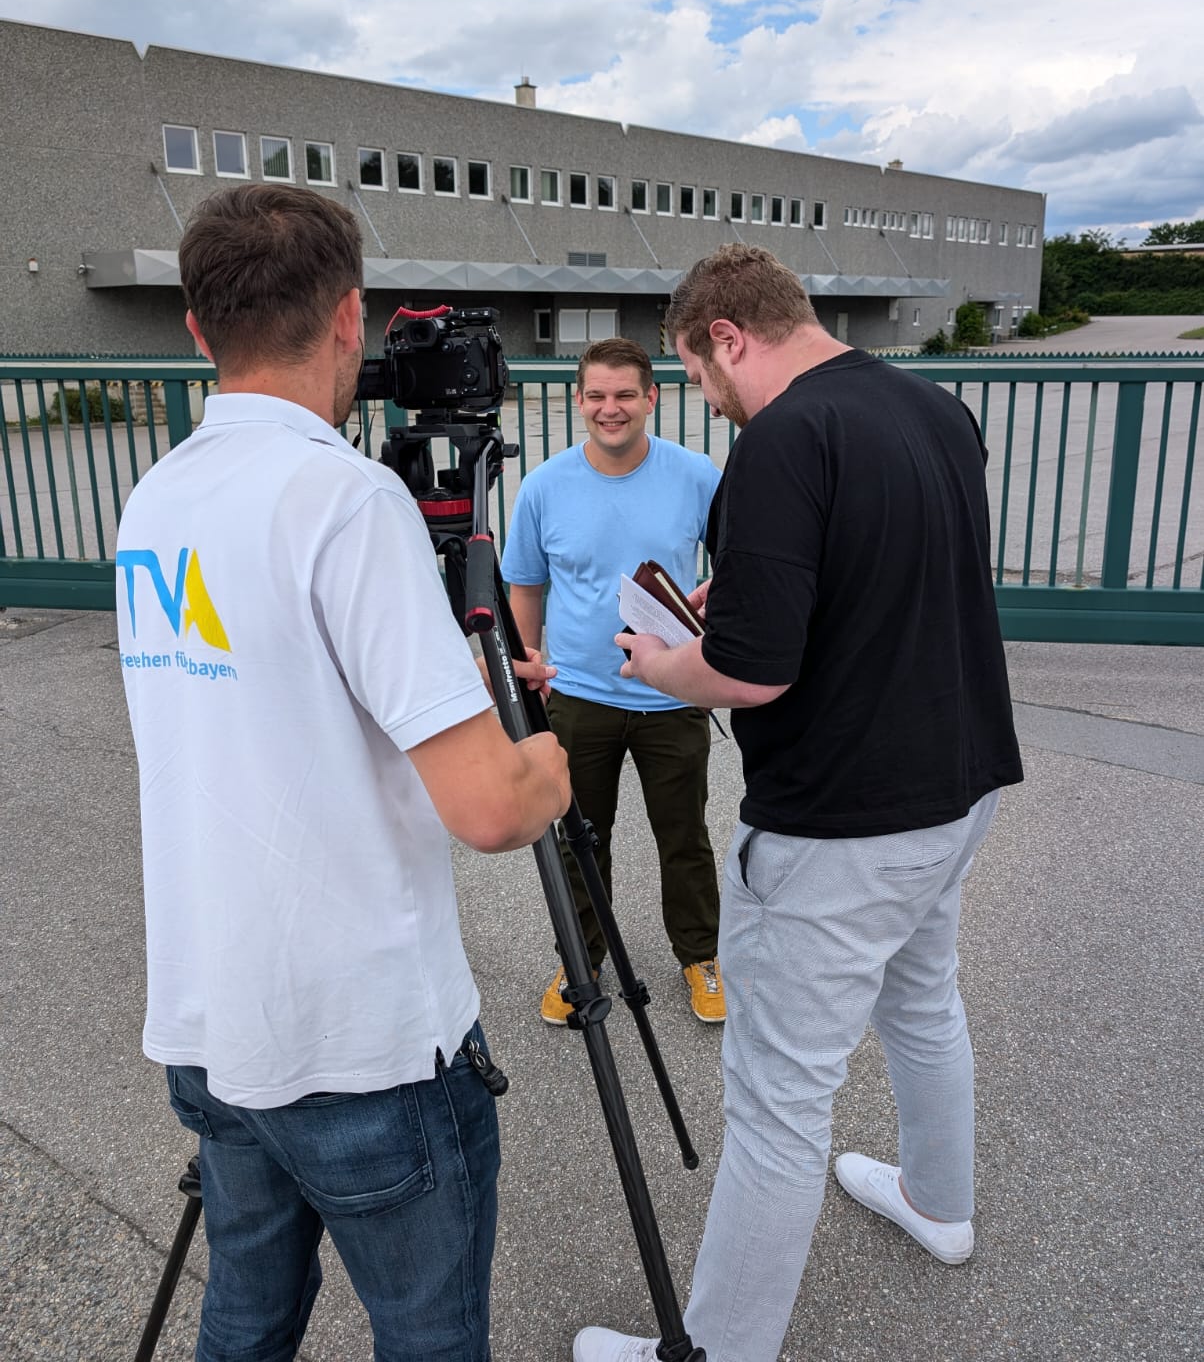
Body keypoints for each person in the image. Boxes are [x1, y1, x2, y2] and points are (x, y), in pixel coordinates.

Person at [114, 182, 571, 1362]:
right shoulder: (345, 499)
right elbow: (487, 806)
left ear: (199, 329)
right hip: (361, 1046)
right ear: (349, 318)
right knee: (426, 1335)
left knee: (245, 1322)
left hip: (215, 1027)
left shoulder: (155, 497)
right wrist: (550, 764)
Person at [574, 245, 1023, 1362]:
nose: (703, 397)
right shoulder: (932, 408)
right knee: (923, 1001)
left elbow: (753, 675)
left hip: (841, 824)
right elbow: (877, 568)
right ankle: (938, 1201)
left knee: (776, 1104)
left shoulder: (778, 442)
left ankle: (717, 1350)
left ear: (725, 335)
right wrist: (751, 594)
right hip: (956, 785)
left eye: (694, 372)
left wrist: (665, 664)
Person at [501, 337, 726, 1025]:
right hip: (579, 693)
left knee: (682, 833)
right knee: (579, 835)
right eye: (596, 395)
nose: (611, 408)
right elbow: (526, 584)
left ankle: (701, 956)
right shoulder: (544, 486)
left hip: (673, 690)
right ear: (578, 401)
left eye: (626, 394)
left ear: (652, 397)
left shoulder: (697, 476)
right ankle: (581, 961)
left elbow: (744, 561)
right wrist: (528, 659)